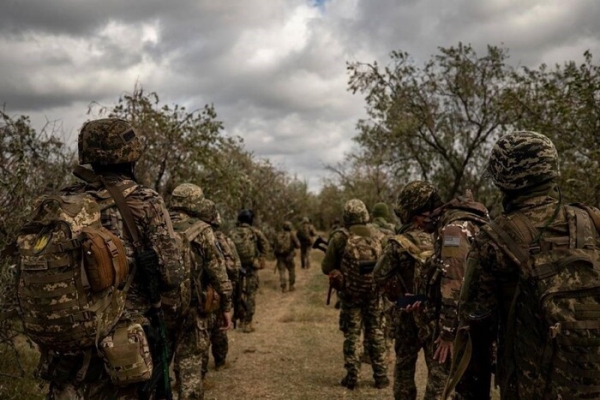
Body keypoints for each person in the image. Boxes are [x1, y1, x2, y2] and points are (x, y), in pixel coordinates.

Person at [18, 118, 185, 399]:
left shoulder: (61, 202)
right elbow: (172, 274)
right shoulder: (145, 201)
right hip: (120, 346)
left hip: (66, 346)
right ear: (131, 154)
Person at [458, 131, 600, 400]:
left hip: (529, 385)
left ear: (504, 180)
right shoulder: (592, 221)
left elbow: (475, 331)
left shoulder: (493, 238)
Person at [389, 181, 489, 399]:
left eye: (415, 219)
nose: (418, 226)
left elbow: (455, 281)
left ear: (424, 211)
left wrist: (447, 333)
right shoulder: (457, 224)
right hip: (471, 320)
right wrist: (424, 299)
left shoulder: (453, 229)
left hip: (466, 327)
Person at [170, 185, 233, 399]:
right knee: (189, 369)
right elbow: (219, 274)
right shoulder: (202, 230)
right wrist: (226, 307)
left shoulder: (154, 224)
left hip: (156, 311)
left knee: (155, 371)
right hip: (191, 311)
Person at [321, 199, 389, 390]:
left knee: (352, 334)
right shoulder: (380, 236)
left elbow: (326, 266)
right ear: (366, 215)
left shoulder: (340, 237)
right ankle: (381, 377)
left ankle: (352, 377)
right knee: (375, 332)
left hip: (350, 295)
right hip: (375, 295)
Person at [374, 202, 434, 400]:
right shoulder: (442, 238)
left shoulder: (398, 243)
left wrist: (397, 290)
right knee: (437, 370)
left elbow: (379, 275)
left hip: (406, 311)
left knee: (404, 366)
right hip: (433, 314)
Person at [196, 198, 241, 372]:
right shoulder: (223, 240)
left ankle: (201, 369)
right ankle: (220, 361)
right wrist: (228, 299)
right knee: (219, 328)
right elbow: (234, 268)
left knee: (199, 332)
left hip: (195, 294)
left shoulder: (184, 234)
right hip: (216, 294)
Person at [229, 209, 270, 333]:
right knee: (250, 294)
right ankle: (247, 323)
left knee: (238, 293)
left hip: (235, 267)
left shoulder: (232, 232)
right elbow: (266, 246)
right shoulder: (255, 232)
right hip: (251, 267)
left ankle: (239, 319)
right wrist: (260, 260)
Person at [273, 221, 301, 292]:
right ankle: (291, 286)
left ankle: (284, 287)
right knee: (291, 270)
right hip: (289, 255)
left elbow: (274, 245)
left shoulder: (278, 234)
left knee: (282, 271)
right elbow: (298, 245)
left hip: (280, 256)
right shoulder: (292, 234)